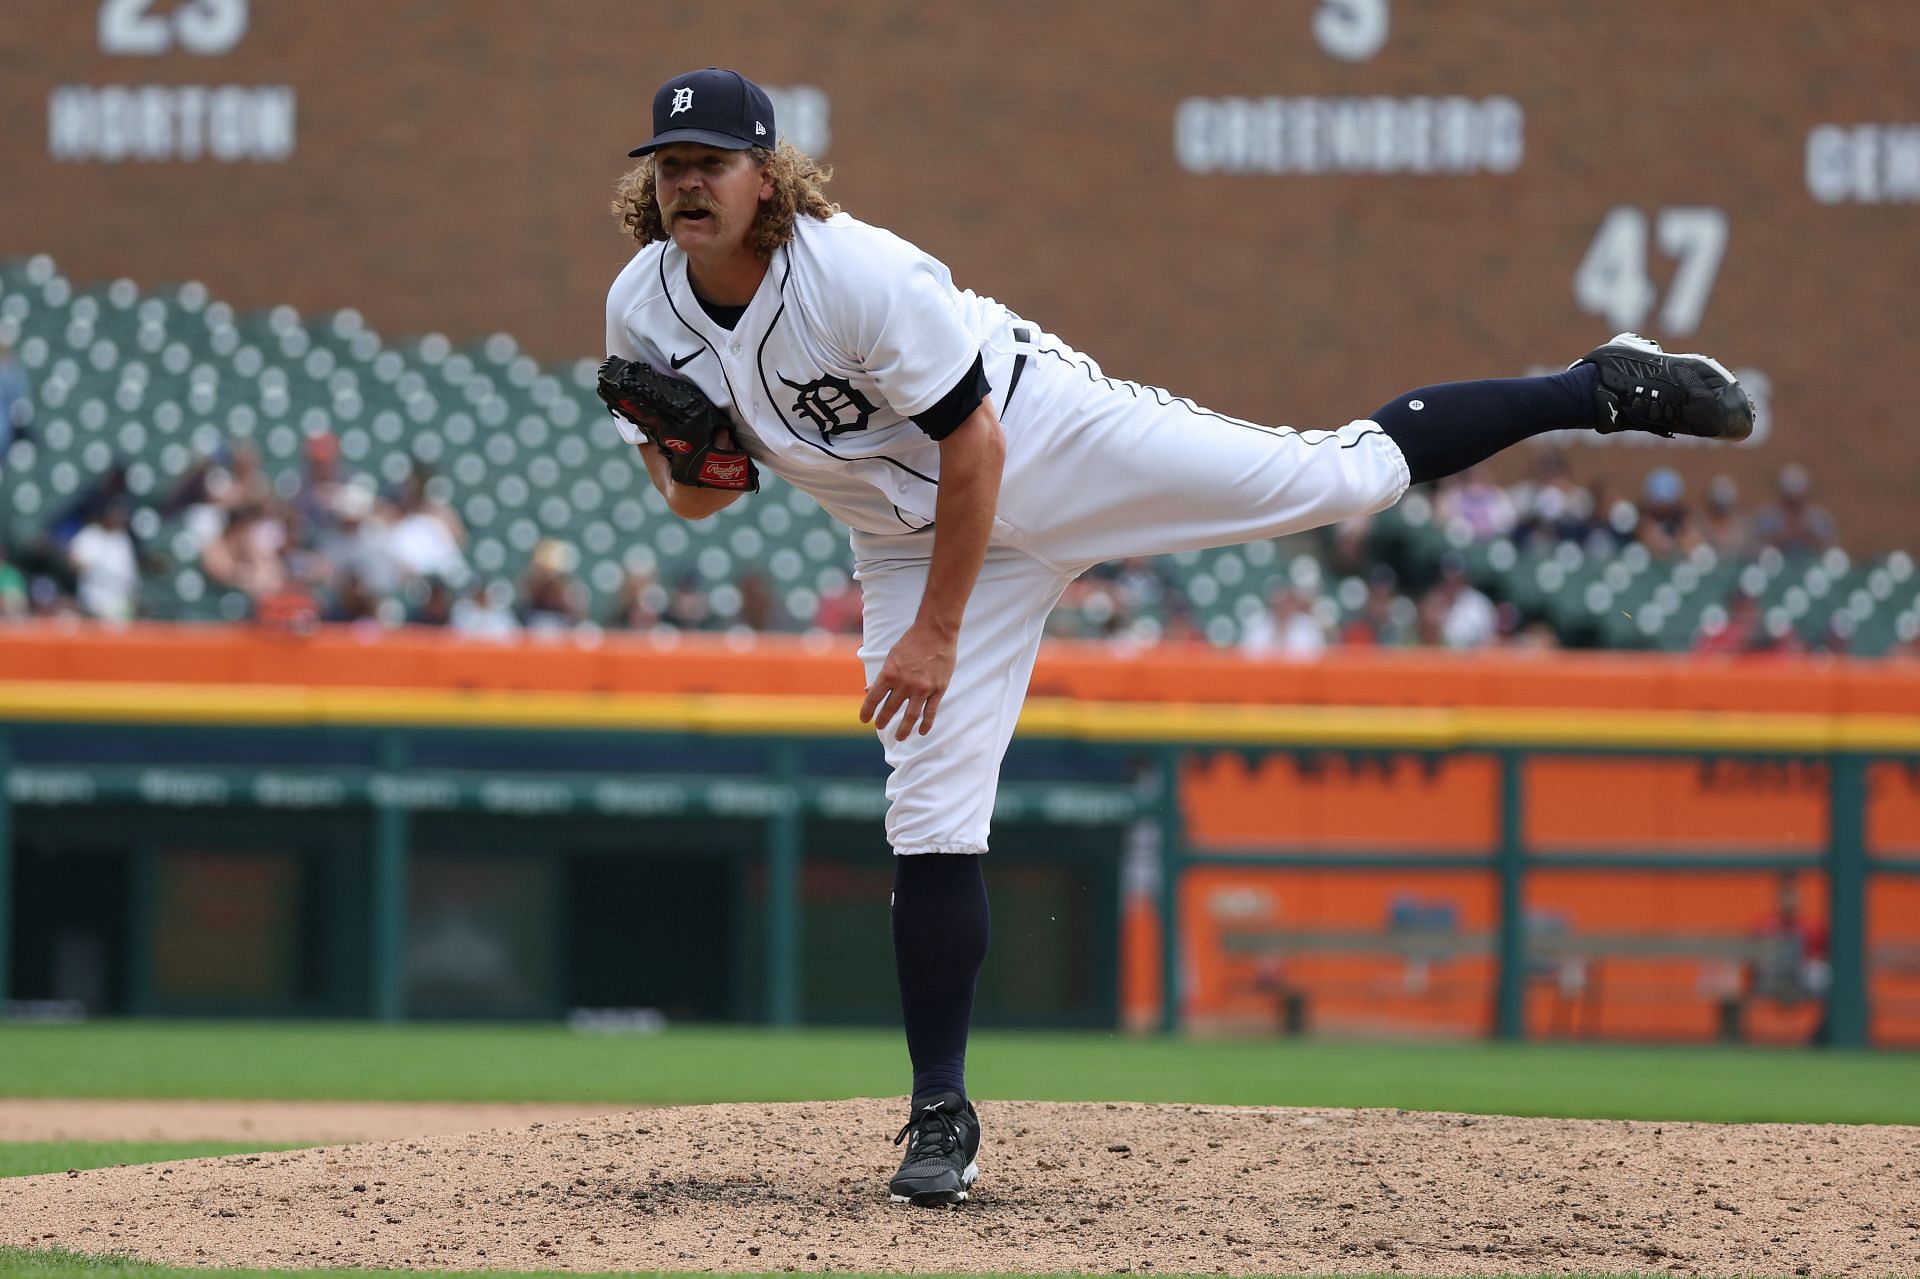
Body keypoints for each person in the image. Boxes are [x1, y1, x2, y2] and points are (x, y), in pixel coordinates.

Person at [601, 67, 1757, 1207]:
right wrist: (691, 465)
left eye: (713, 163)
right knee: (930, 807)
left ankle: (1593, 384)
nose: (688, 184)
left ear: (770, 178)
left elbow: (977, 447)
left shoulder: (856, 273)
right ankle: (941, 1111)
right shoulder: (641, 309)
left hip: (1041, 439)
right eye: (671, 167)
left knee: (1337, 478)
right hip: (907, 534)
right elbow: (701, 502)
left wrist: (937, 634)